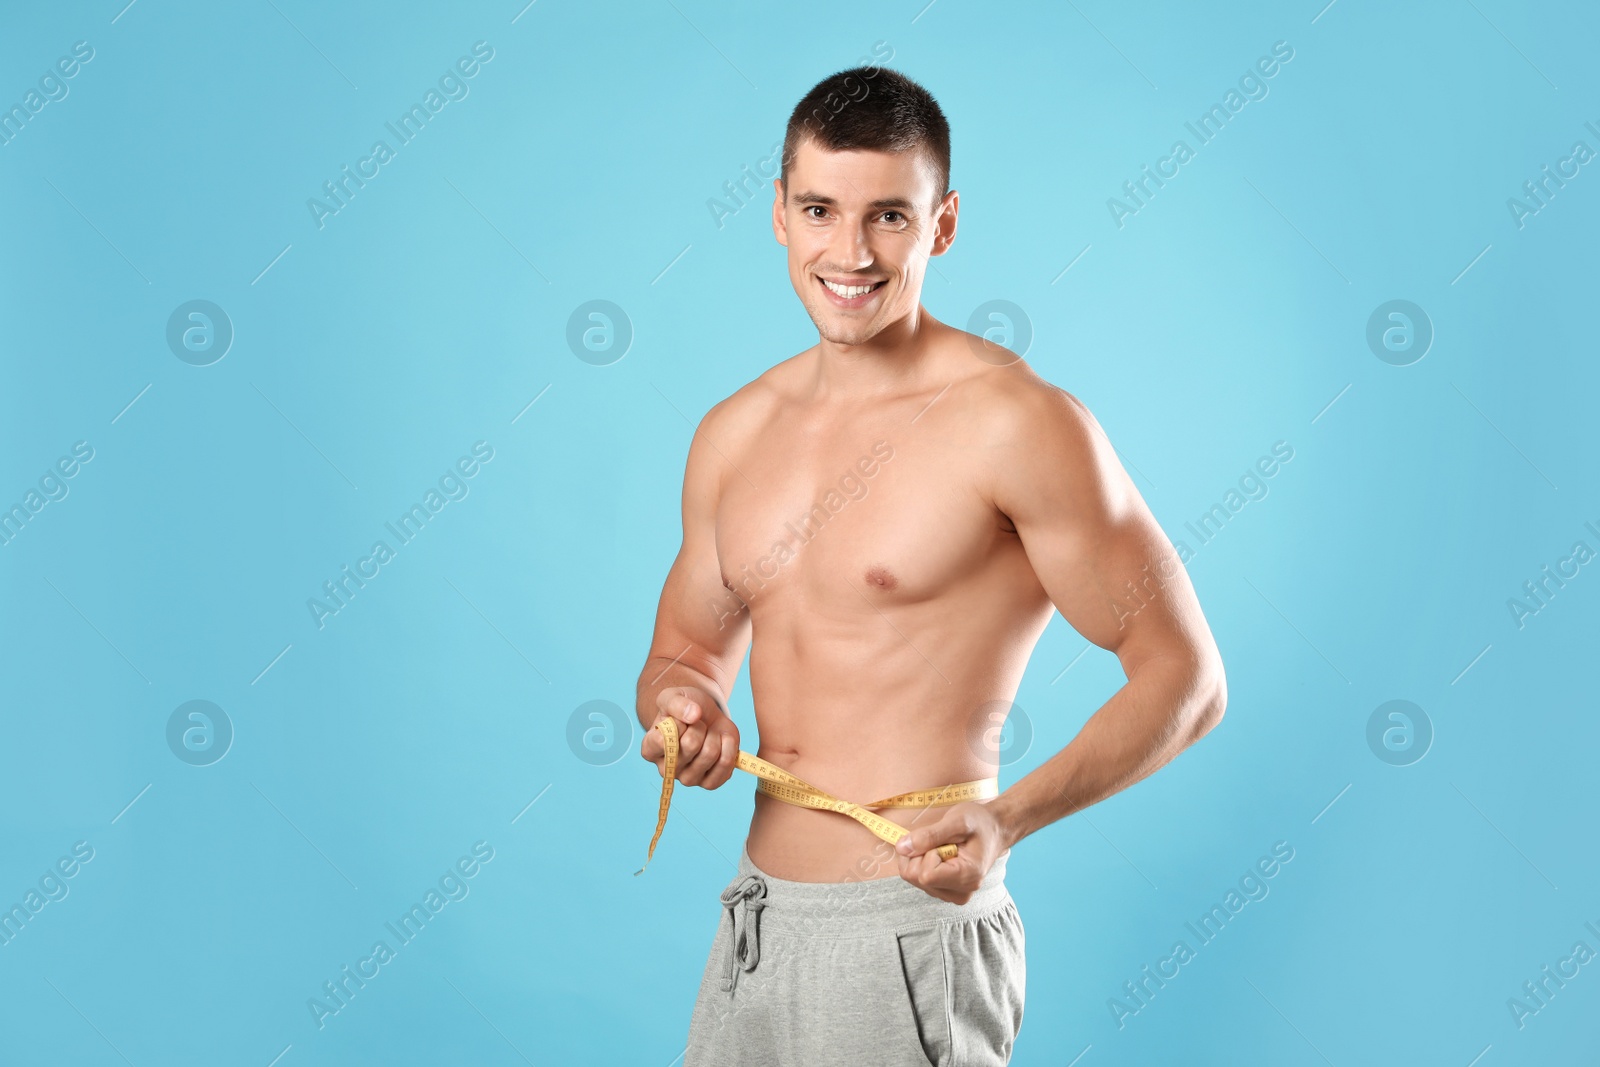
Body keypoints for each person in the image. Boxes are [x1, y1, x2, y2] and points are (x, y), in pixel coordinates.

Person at [636, 64, 1227, 1067]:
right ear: (778, 213)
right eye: (820, 209)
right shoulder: (733, 434)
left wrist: (1007, 819)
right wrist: (684, 708)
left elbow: (1188, 677)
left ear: (942, 224)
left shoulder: (1018, 422)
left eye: (890, 218)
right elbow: (684, 650)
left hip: (908, 933)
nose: (851, 252)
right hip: (753, 922)